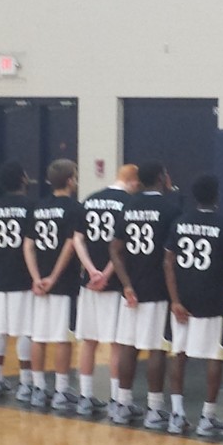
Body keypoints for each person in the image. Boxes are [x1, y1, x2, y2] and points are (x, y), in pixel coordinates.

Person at [163, 174, 223, 437]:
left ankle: (177, 414)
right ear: (216, 195)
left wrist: (174, 300)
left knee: (179, 353)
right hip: (211, 298)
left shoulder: (180, 223)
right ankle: (207, 417)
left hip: (182, 299)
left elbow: (168, 262)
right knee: (215, 355)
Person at [109, 160, 180, 430]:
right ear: (162, 177)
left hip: (131, 289)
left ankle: (122, 404)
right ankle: (154, 408)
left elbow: (115, 249)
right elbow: (171, 256)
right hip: (158, 288)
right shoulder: (170, 209)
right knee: (156, 349)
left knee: (129, 346)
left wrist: (126, 284)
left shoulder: (128, 206)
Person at [73, 164, 138, 416]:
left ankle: (85, 397)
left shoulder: (90, 199)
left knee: (88, 342)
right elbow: (121, 248)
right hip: (113, 284)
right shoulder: (128, 204)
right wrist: (106, 274)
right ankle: (116, 400)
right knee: (116, 344)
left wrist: (91, 270)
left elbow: (77, 239)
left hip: (88, 283)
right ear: (132, 181)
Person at [23, 159, 85, 409]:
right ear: (70, 180)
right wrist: (54, 277)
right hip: (64, 282)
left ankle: (38, 388)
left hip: (39, 283)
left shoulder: (38, 207)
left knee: (38, 336)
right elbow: (70, 245)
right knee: (62, 337)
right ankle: (61, 390)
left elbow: (28, 245)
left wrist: (36, 277)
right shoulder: (75, 208)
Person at [0, 161, 35, 400]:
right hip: (23, 275)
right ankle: (26, 383)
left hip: (0, 274)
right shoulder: (30, 206)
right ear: (22, 179)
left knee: (0, 330)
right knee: (25, 330)